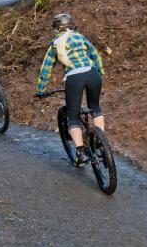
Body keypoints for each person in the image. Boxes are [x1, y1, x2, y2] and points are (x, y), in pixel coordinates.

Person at [34, 13, 105, 165]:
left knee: (72, 116)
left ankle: (80, 151)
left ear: (56, 28)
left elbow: (45, 69)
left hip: (74, 78)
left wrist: (41, 90)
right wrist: (100, 72)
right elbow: (95, 55)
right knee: (95, 106)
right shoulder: (80, 37)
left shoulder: (55, 43)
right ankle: (101, 141)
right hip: (92, 74)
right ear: (71, 25)